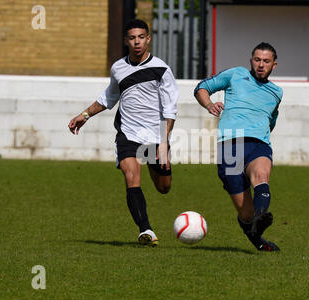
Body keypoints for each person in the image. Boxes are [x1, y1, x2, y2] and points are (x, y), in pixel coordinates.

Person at [68, 19, 178, 247]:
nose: (137, 42)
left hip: (156, 137)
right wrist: (85, 115)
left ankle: (152, 165)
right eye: (132, 38)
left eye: (141, 37)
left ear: (148, 38)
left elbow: (170, 110)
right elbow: (109, 96)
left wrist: (164, 141)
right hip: (128, 133)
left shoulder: (162, 69)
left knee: (164, 187)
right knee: (130, 176)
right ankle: (145, 230)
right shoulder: (118, 68)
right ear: (126, 40)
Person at [194, 42, 283, 252]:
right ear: (251, 60)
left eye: (266, 61)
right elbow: (201, 88)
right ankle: (258, 237)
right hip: (230, 147)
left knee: (261, 176)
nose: (261, 65)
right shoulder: (236, 74)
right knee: (245, 214)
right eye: (257, 60)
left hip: (258, 144)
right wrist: (209, 104)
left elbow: (271, 121)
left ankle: (262, 216)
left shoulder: (276, 92)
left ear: (274, 65)